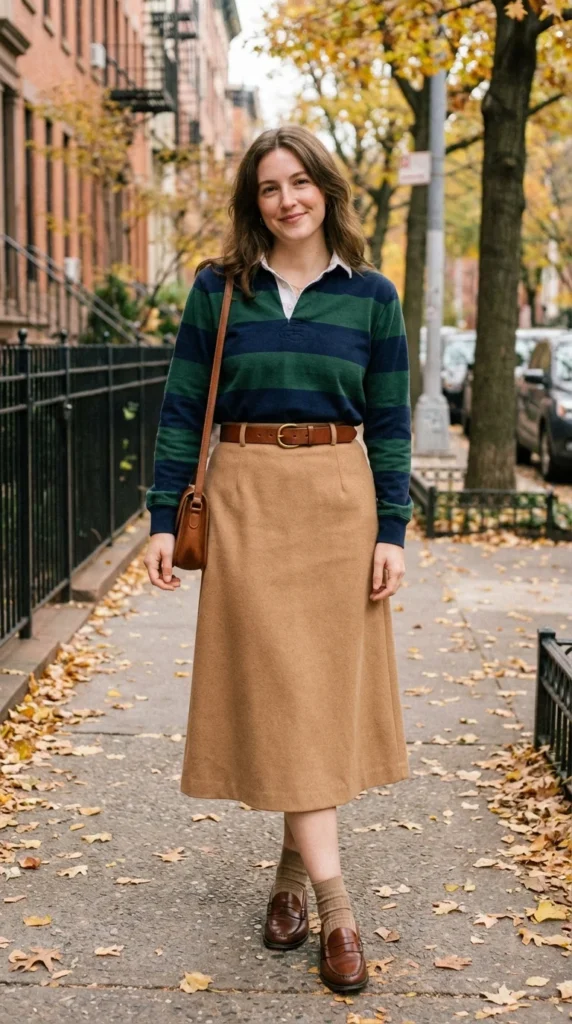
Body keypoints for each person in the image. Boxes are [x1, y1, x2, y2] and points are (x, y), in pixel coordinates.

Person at [143, 124, 413, 994]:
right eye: (269, 187)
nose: (287, 198)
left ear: (327, 189)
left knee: (317, 696)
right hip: (248, 497)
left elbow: (395, 421)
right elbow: (184, 411)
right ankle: (337, 906)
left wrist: (392, 530)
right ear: (252, 202)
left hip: (340, 497)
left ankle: (294, 878)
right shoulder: (219, 290)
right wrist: (160, 518)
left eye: (300, 182)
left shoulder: (373, 295)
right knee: (284, 691)